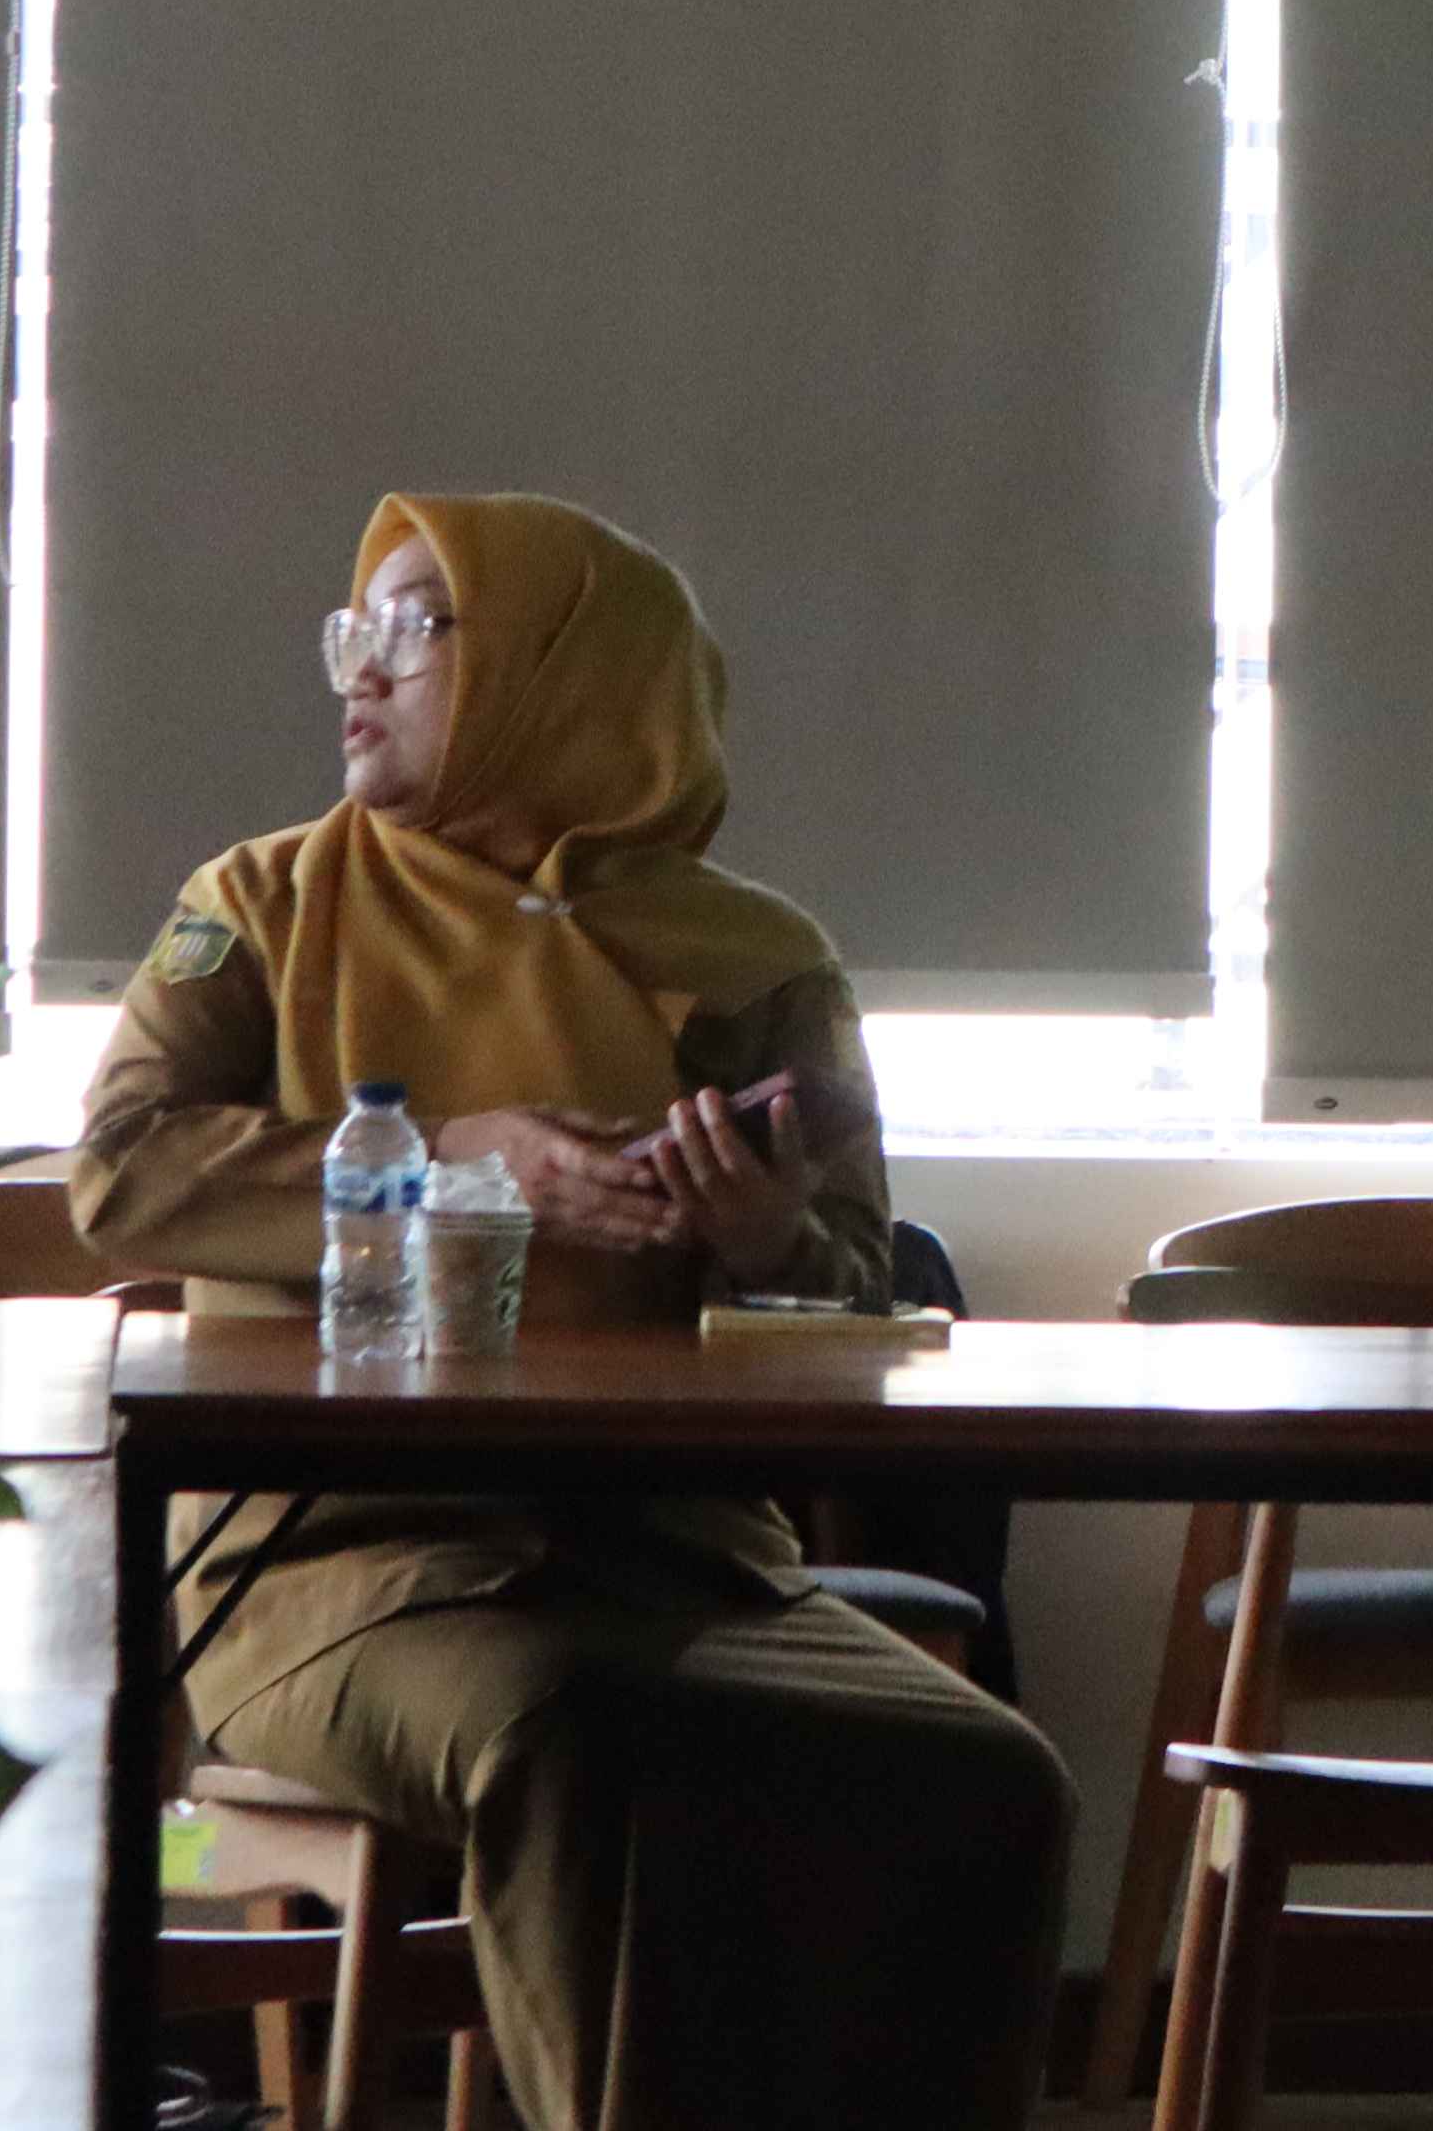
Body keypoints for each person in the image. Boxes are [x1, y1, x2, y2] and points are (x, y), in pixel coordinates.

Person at [71, 491, 1074, 2131]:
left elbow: (857, 1298)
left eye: (417, 629)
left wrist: (760, 1239)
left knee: (993, 1779)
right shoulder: (262, 906)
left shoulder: (755, 960)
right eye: (355, 627)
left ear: (564, 673)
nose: (361, 668)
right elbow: (121, 1177)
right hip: (335, 1565)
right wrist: (456, 1156)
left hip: (678, 1554)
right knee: (574, 1734)